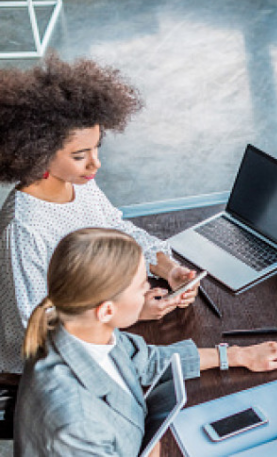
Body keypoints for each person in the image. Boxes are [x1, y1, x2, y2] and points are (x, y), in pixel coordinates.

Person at [14, 228, 277, 456]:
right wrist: (155, 444)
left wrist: (236, 356)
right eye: (142, 286)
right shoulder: (74, 423)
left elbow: (147, 360)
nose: (149, 291)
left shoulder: (81, 329)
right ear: (106, 309)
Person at [0, 56, 199, 373]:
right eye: (80, 156)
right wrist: (126, 312)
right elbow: (35, 327)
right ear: (38, 153)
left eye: (97, 148)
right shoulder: (25, 229)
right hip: (53, 366)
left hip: (102, 324)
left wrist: (168, 268)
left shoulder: (78, 185)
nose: (96, 164)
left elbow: (118, 231)